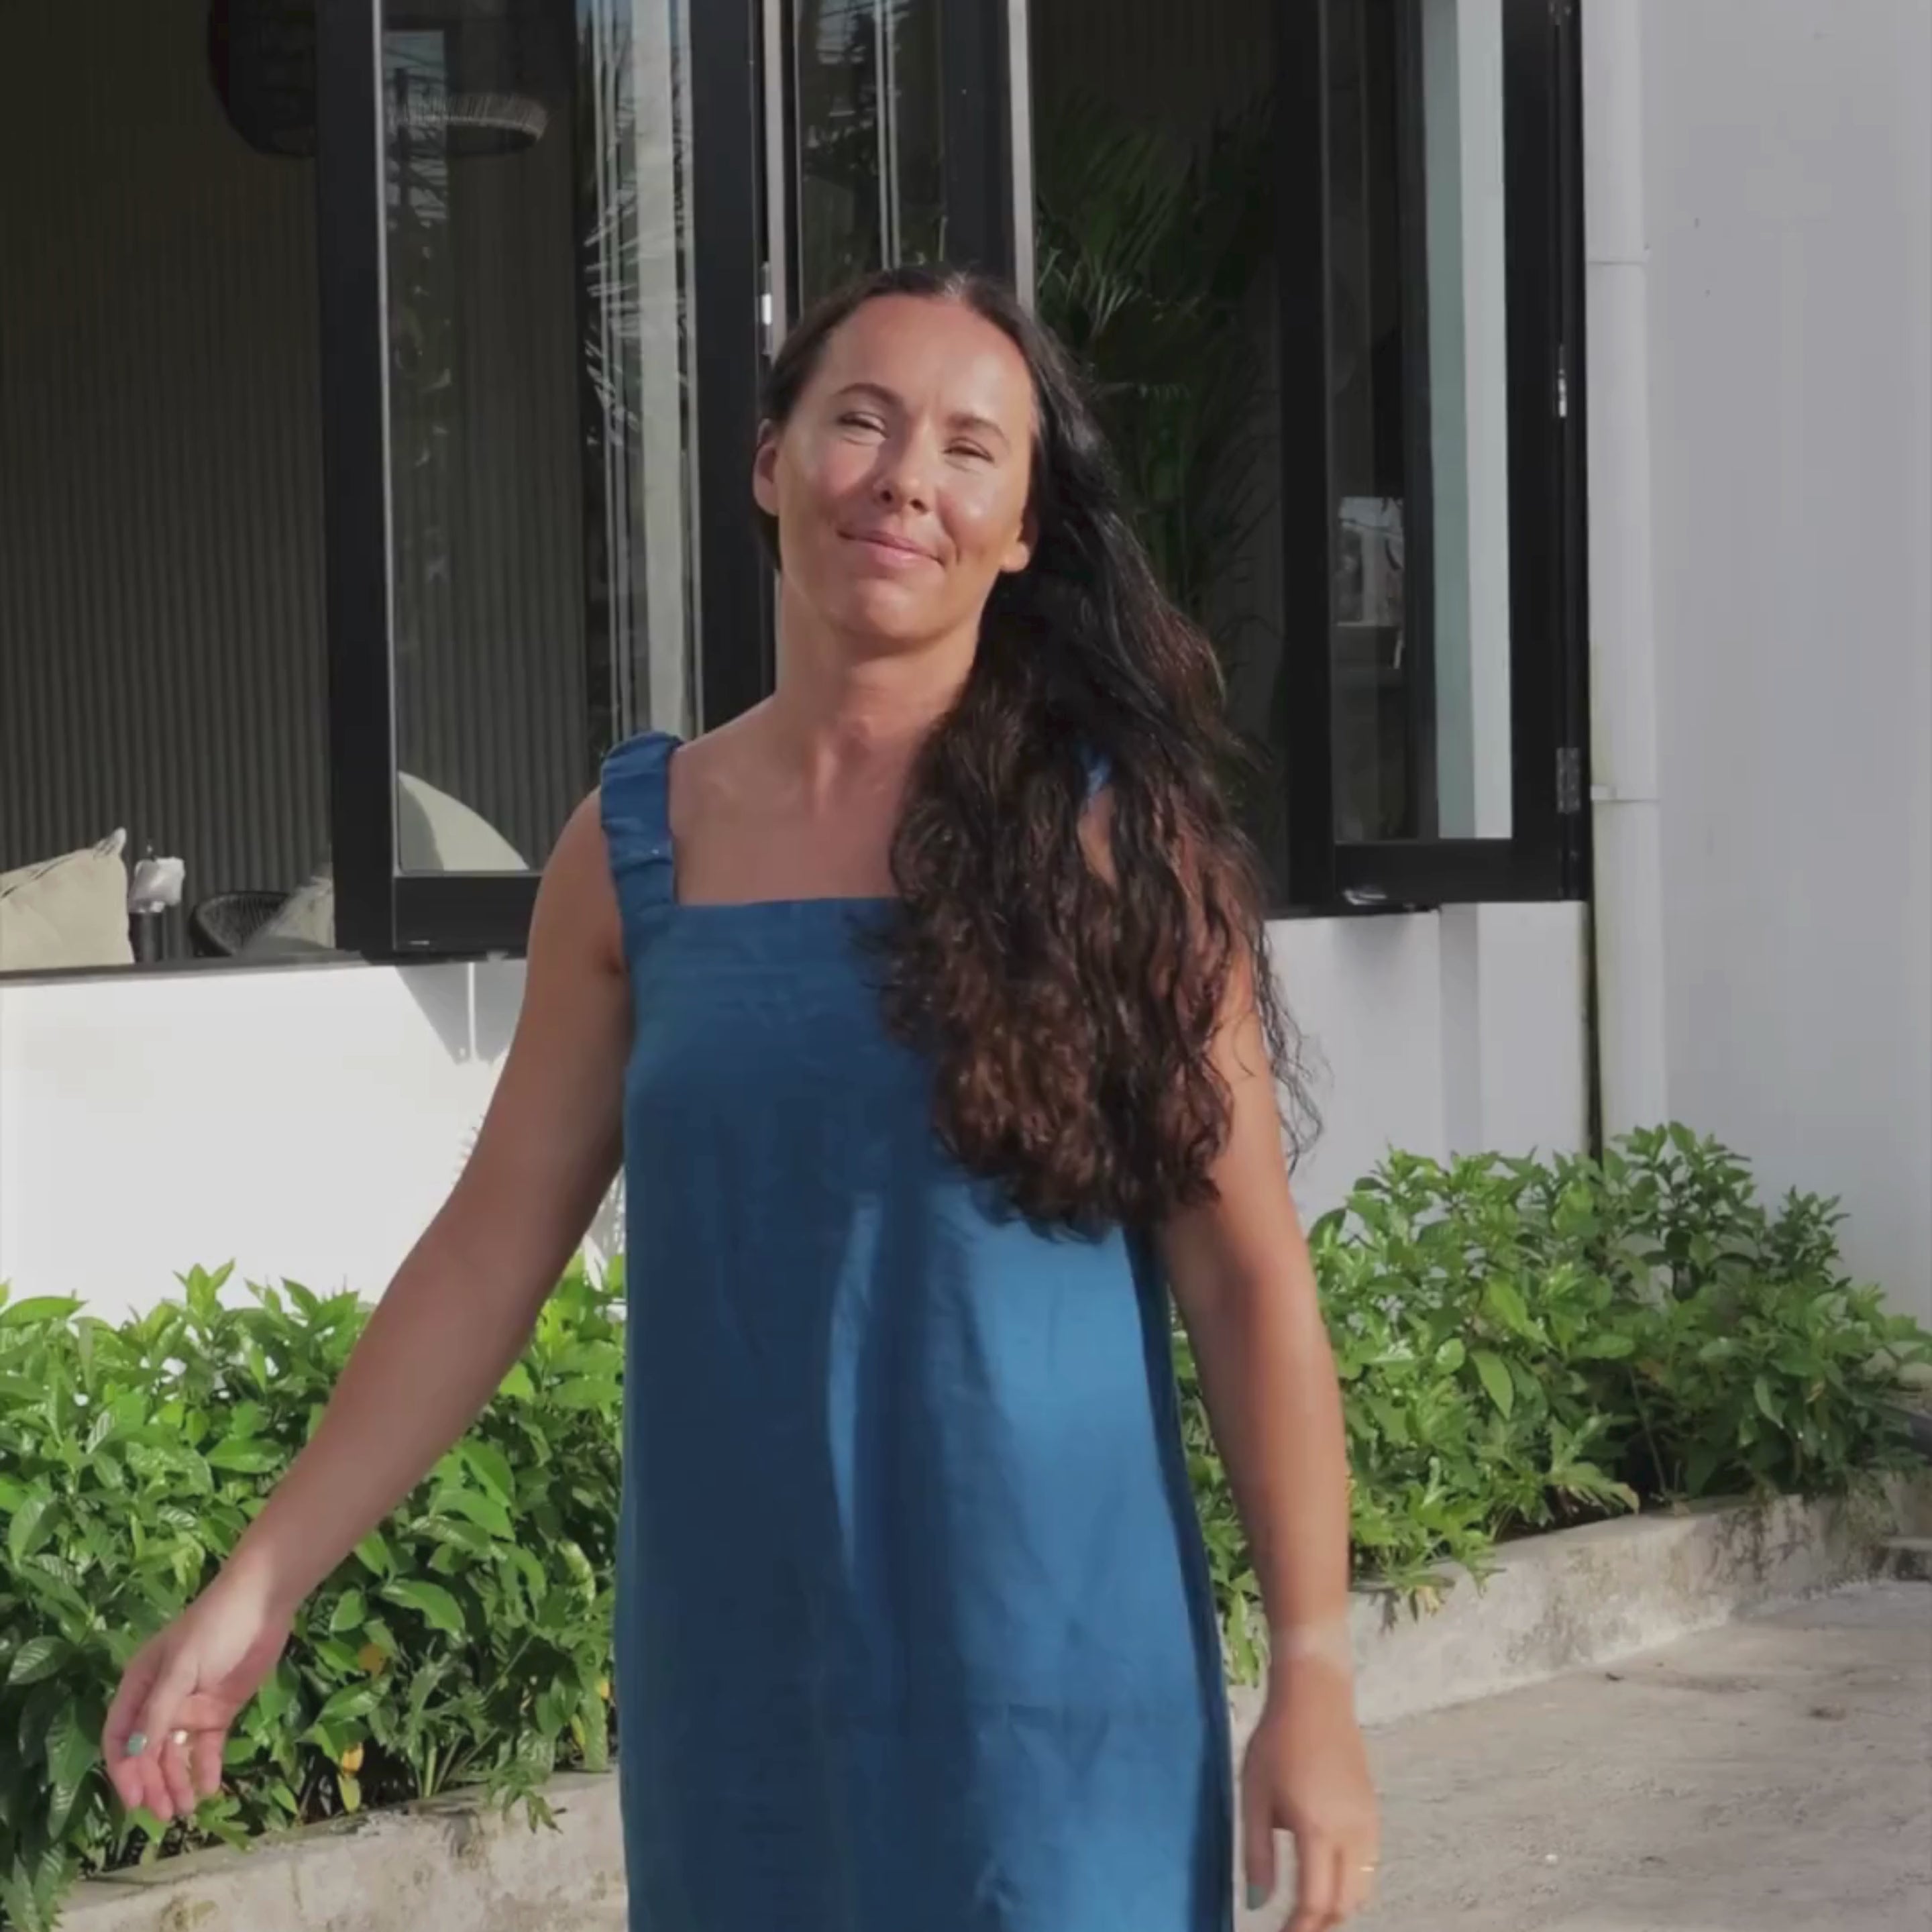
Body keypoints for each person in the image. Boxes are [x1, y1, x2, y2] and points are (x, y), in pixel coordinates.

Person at [104, 265, 1379, 1931]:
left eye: (972, 449)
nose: (909, 474)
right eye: (862, 418)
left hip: (1056, 1676)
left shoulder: (1114, 844)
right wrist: (258, 1586)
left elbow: (1247, 1275)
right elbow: (491, 1252)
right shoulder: (635, 848)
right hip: (743, 1689)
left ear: (1021, 531)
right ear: (771, 462)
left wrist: (1315, 1675)